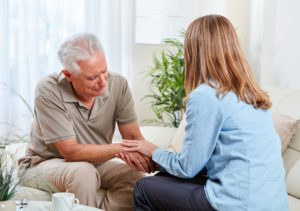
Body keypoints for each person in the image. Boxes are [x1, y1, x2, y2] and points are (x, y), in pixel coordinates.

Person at [120, 15, 289, 211]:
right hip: (274, 204)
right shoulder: (251, 92)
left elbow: (187, 168)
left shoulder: (206, 95)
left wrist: (153, 151)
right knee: (163, 179)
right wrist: (158, 162)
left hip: (238, 205)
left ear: (194, 51)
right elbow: (200, 165)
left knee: (144, 188)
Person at [18, 33, 155, 211]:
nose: (103, 82)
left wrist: (163, 161)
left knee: (134, 173)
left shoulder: (118, 84)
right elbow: (70, 152)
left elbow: (134, 138)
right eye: (92, 78)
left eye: (104, 71)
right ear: (68, 75)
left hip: (94, 162)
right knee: (83, 172)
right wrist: (121, 148)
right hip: (43, 164)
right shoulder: (49, 89)